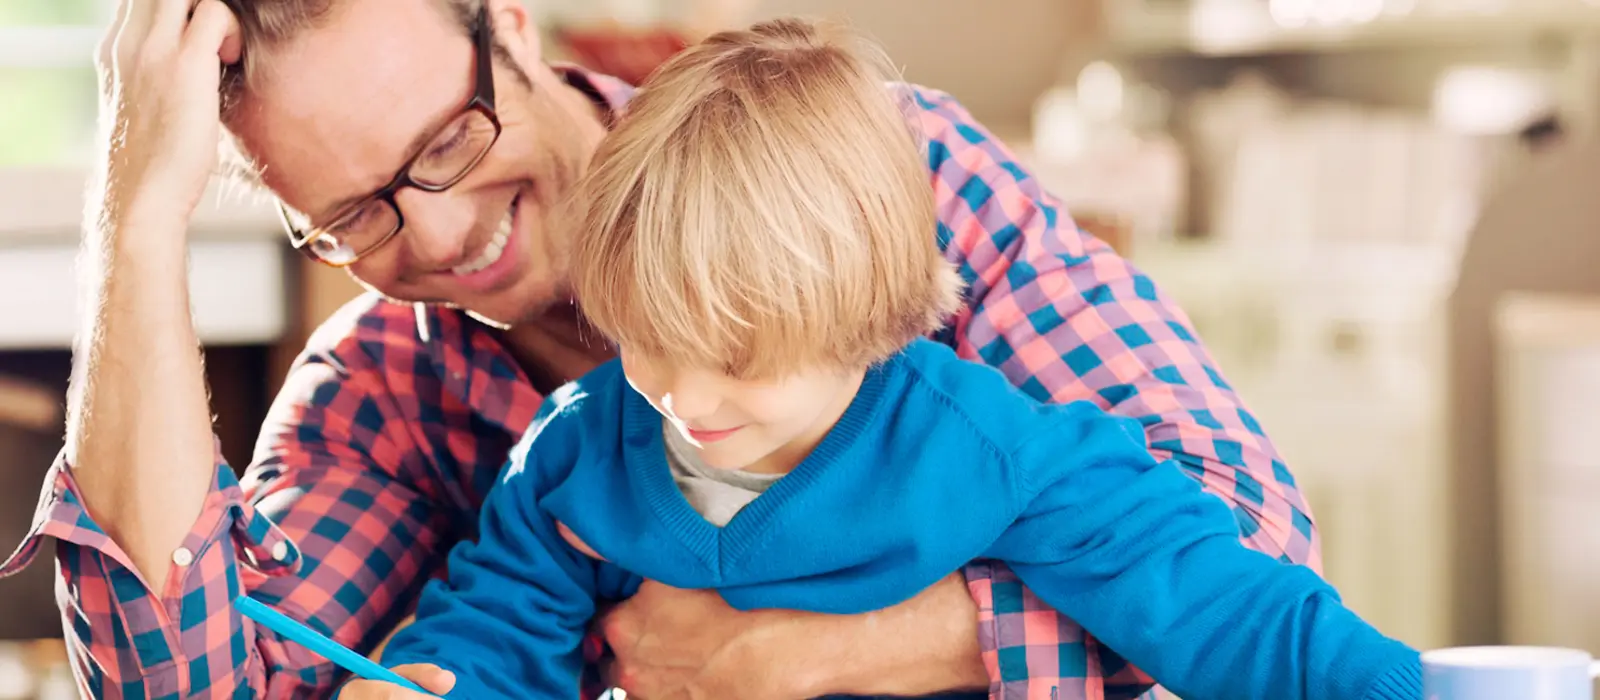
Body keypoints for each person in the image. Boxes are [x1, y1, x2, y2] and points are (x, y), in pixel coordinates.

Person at [0, 0, 1320, 698]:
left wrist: (813, 652)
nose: (445, 234)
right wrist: (134, 218)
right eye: (352, 214)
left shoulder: (864, 175)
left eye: (448, 142)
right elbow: (199, 692)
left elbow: (1248, 548)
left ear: (508, 24)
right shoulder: (383, 396)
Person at [378, 17, 1420, 700]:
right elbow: (498, 626)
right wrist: (429, 679)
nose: (683, 396)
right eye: (649, 339)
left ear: (861, 312)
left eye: (737, 353)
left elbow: (1210, 596)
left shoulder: (976, 441)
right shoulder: (575, 454)